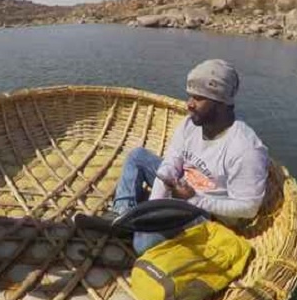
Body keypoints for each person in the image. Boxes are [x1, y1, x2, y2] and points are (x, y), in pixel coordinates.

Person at [83, 59, 269, 254]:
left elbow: (248, 208)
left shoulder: (245, 149)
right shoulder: (190, 125)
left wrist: (195, 200)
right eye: (190, 96)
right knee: (138, 156)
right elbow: (171, 162)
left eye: (198, 98)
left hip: (206, 212)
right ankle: (123, 214)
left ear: (221, 103)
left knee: (142, 245)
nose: (189, 104)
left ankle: (130, 226)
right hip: (181, 189)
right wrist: (155, 206)